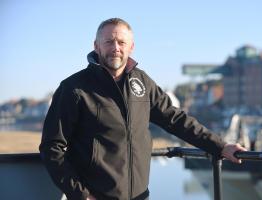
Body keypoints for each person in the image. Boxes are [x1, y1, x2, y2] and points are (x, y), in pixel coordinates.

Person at [39, 18, 246, 200]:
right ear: (96, 46)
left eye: (122, 42)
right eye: (109, 42)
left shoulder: (142, 82)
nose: (116, 48)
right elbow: (52, 147)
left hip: (140, 196)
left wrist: (220, 147)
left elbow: (176, 120)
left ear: (131, 46)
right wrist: (81, 195)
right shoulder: (74, 89)